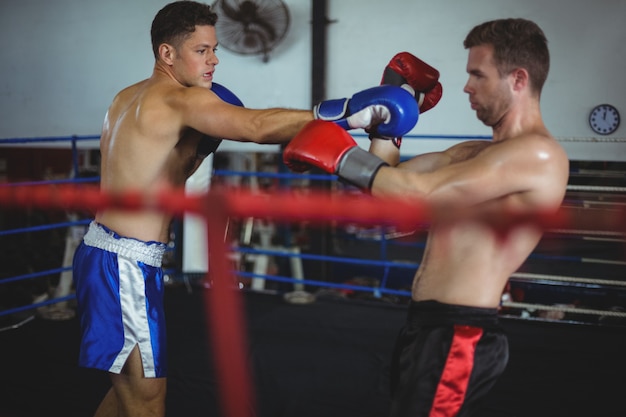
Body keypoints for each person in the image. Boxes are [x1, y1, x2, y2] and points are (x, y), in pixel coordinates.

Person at [71, 1, 418, 416]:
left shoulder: (126, 98)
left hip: (104, 253)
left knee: (127, 391)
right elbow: (255, 126)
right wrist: (350, 114)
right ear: (167, 53)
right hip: (124, 266)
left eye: (215, 49)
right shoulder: (181, 101)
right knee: (147, 401)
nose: (214, 60)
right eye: (201, 50)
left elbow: (156, 166)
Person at [283, 18, 570, 416]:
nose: (466, 87)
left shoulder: (538, 156)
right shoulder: (472, 152)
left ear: (518, 79)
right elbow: (392, 192)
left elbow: (423, 193)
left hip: (462, 332)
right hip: (426, 326)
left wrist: (341, 155)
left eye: (477, 75)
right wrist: (387, 127)